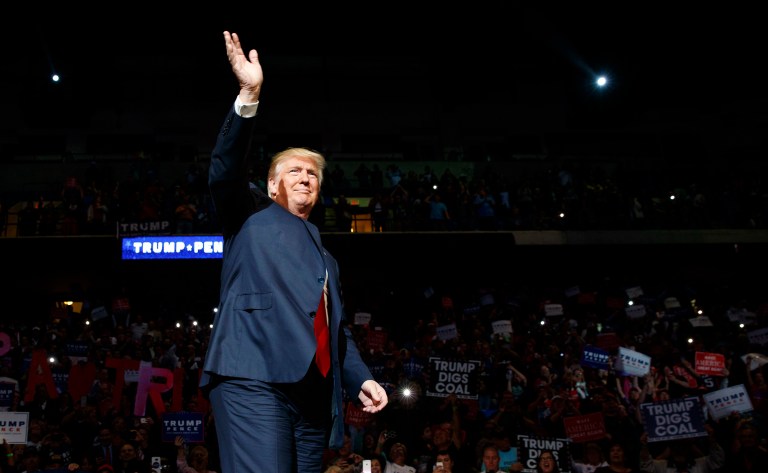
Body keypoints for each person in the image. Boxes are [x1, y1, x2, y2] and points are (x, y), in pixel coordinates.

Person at [199, 31, 388, 473]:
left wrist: (362, 378)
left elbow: (336, 333)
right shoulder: (250, 213)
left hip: (315, 398)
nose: (306, 178)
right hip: (253, 376)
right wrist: (250, 93)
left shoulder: (328, 261)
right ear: (270, 184)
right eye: (294, 171)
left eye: (313, 174)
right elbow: (224, 170)